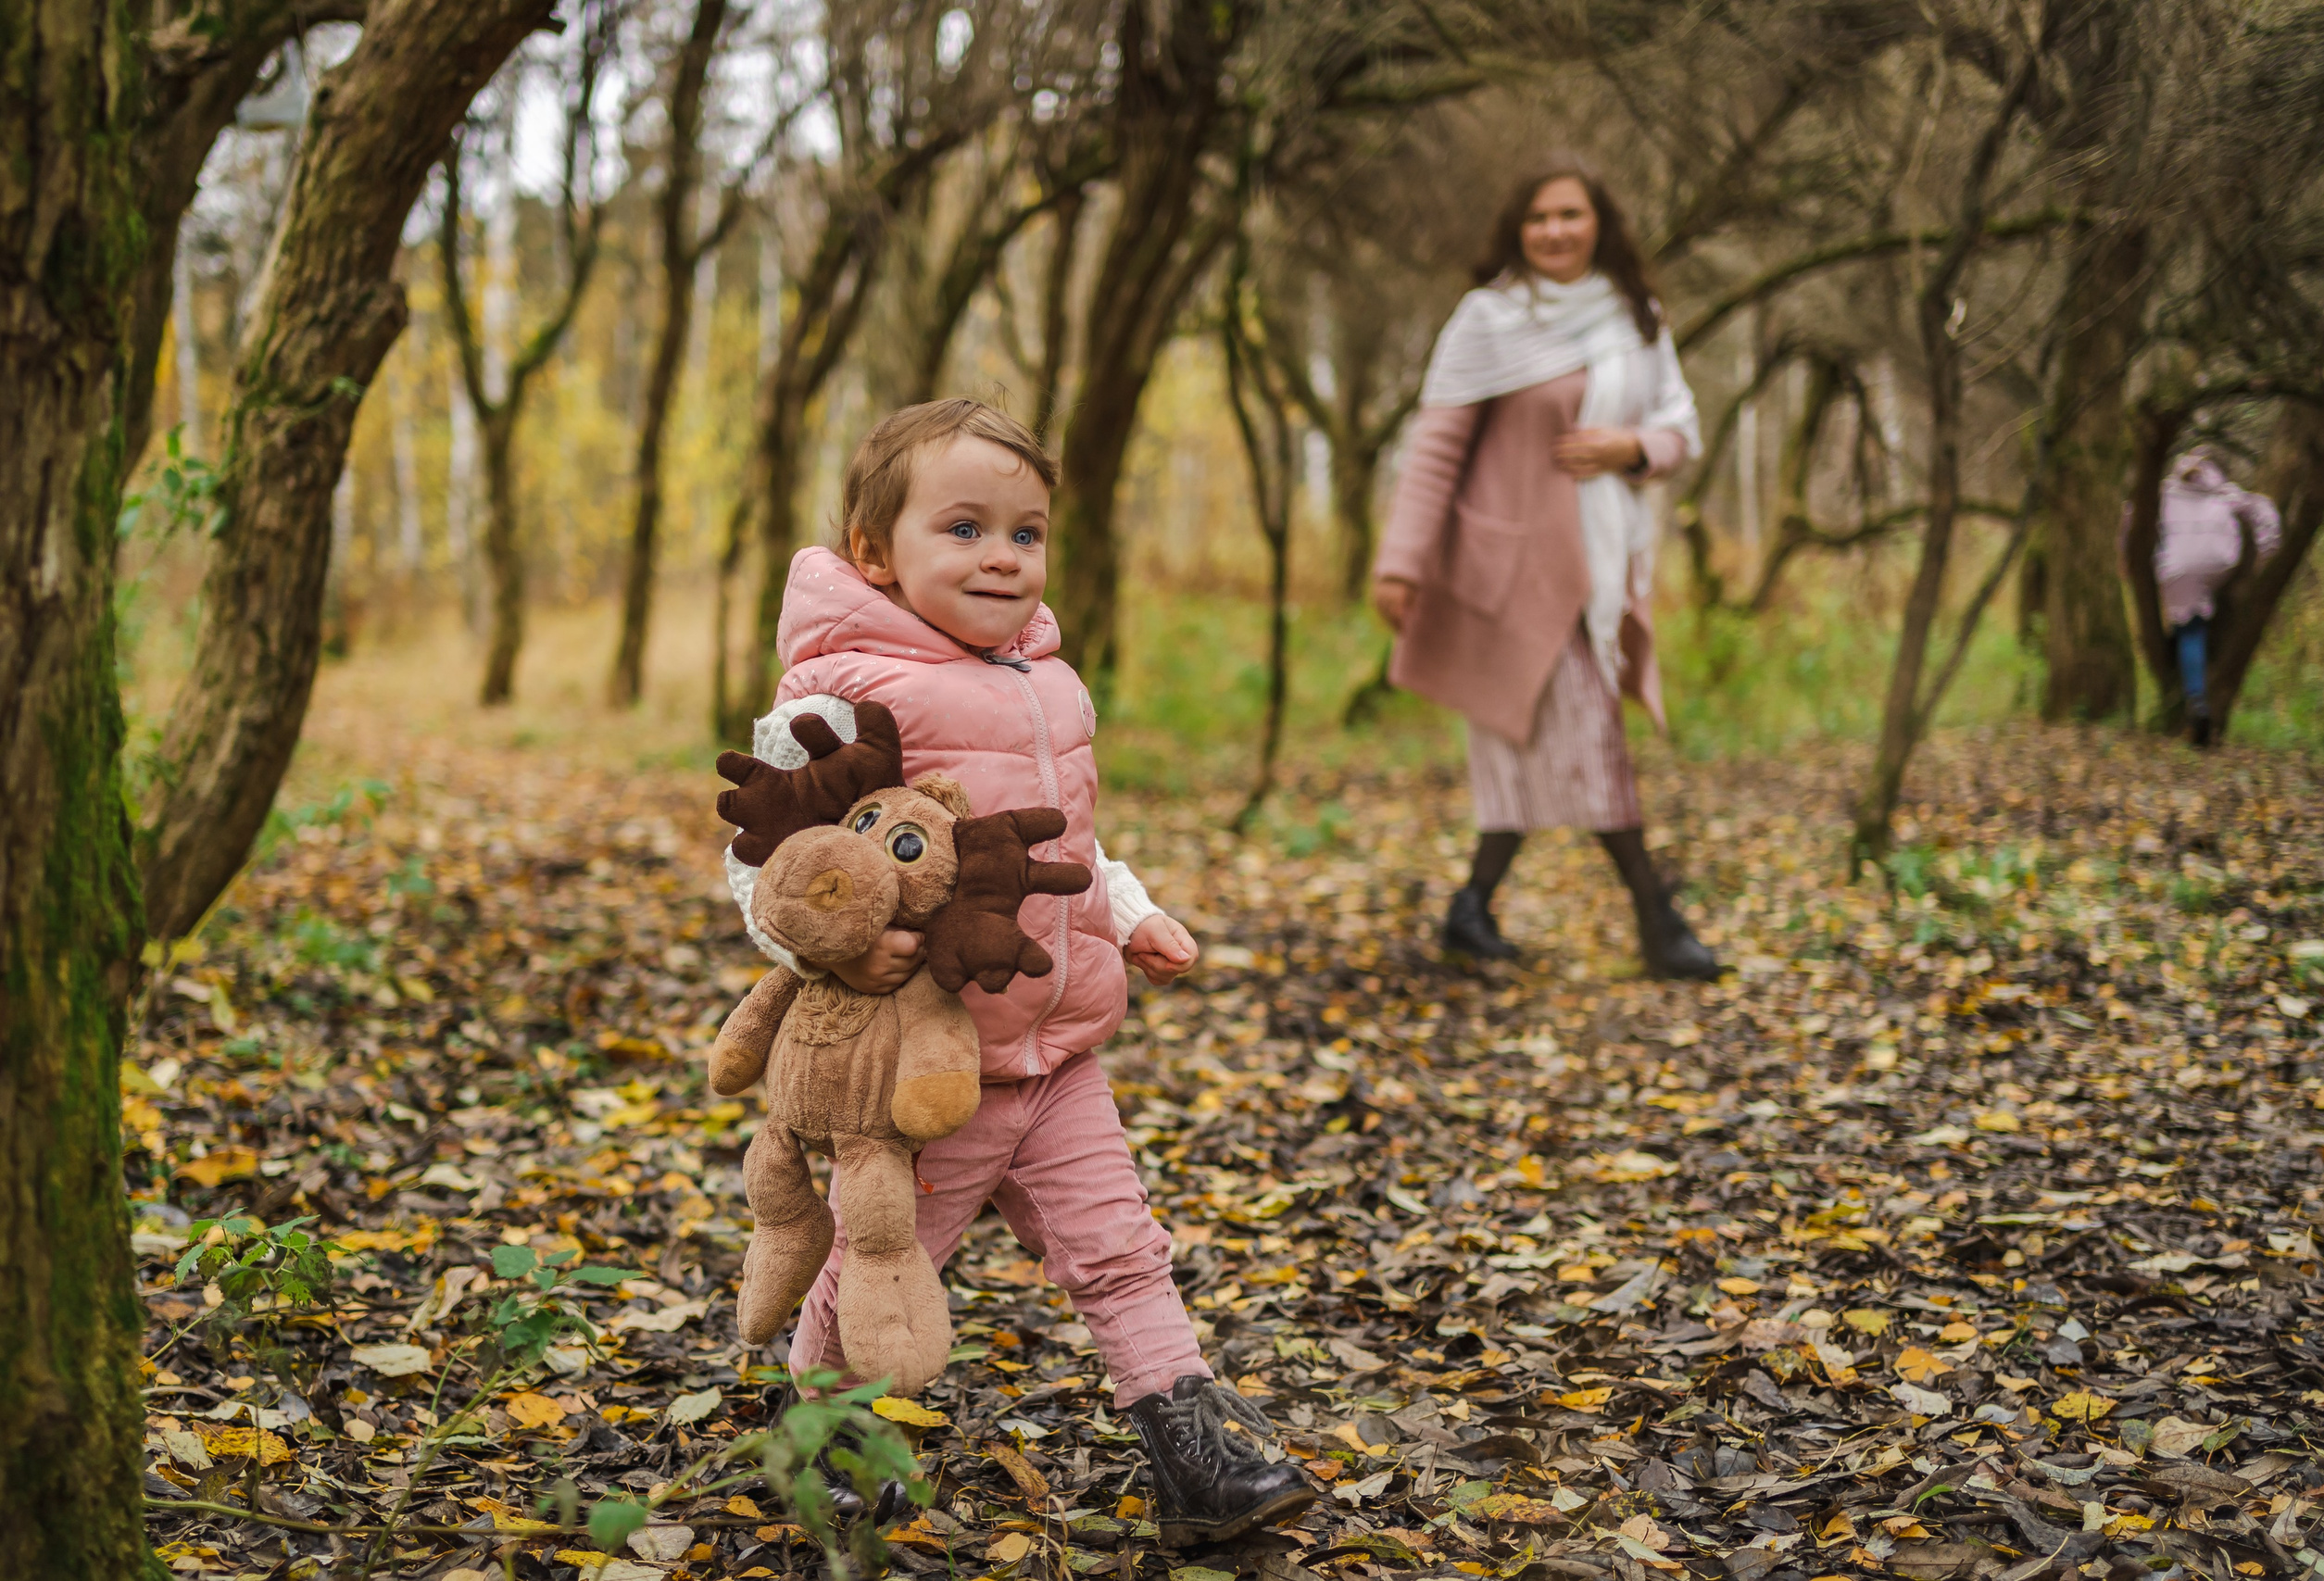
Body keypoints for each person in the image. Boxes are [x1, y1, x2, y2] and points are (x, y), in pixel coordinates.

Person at [722, 399, 1314, 1547]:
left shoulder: (1051, 682)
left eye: (1026, 532)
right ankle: (823, 1438)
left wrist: (1130, 910)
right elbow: (766, 868)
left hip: (1056, 1049)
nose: (1002, 555)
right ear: (874, 553)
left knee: (1121, 1249)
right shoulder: (837, 698)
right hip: (917, 1072)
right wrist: (833, 942)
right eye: (964, 528)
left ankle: (1191, 1444)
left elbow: (1067, 850)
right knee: (881, 1260)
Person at [1371, 159, 1717, 978]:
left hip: (1602, 568)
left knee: (1530, 746)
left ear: (1600, 222)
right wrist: (1400, 564)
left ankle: (1471, 908)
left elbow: (1680, 426)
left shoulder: (1637, 316)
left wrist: (1630, 447)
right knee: (1588, 741)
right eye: (1539, 219)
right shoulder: (1489, 318)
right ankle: (1658, 921)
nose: (1555, 231)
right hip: (1512, 576)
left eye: (1571, 214)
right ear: (1517, 231)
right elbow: (1436, 448)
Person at [2150, 448, 2280, 746]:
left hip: (2178, 568)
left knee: (2189, 628)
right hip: (2219, 564)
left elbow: (2131, 515)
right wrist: (2266, 548)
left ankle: (2197, 700)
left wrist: (2124, 558)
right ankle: (2191, 647)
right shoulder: (2223, 492)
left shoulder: (2166, 492)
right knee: (2195, 616)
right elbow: (2262, 507)